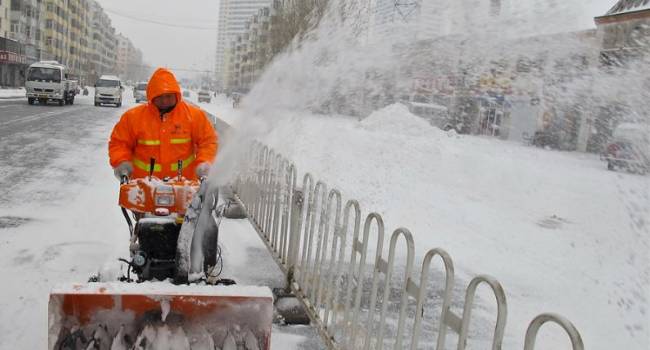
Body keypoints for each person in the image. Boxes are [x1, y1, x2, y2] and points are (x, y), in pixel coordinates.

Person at [109, 68, 218, 181]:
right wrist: (122, 164)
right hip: (142, 189)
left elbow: (208, 141)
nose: (164, 101)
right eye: (160, 96)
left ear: (176, 95)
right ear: (151, 96)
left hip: (184, 188)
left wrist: (204, 164)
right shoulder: (133, 118)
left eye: (168, 96)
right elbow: (119, 144)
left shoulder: (194, 116)